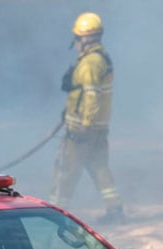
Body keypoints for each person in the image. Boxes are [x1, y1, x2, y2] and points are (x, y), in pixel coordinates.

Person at [49, 12, 124, 224]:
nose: (76, 43)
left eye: (78, 38)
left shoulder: (90, 63)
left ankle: (55, 215)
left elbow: (92, 96)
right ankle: (115, 210)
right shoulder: (100, 58)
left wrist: (85, 126)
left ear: (84, 38)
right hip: (98, 129)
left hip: (84, 131)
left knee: (66, 172)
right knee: (99, 168)